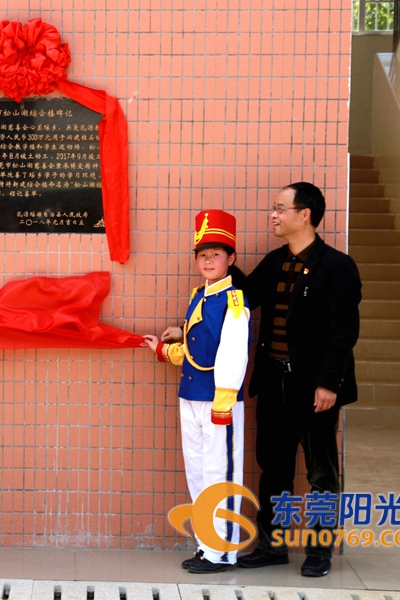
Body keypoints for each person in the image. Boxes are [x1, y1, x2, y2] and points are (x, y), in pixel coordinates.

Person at [236, 182, 361, 578]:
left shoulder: (337, 266)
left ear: (304, 214)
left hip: (313, 387)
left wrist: (329, 383)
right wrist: (220, 260)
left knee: (321, 473)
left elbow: (344, 332)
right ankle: (272, 546)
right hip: (273, 380)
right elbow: (243, 297)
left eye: (280, 208)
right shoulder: (275, 262)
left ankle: (320, 551)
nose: (273, 215)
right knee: (273, 468)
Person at [145, 209, 250, 574]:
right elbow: (198, 351)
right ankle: (207, 545)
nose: (208, 260)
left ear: (231, 259)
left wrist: (223, 405)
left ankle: (222, 551)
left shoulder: (234, 300)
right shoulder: (199, 295)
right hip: (190, 397)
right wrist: (164, 349)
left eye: (215, 254)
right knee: (199, 473)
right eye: (202, 254)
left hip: (218, 402)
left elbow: (232, 356)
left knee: (221, 474)